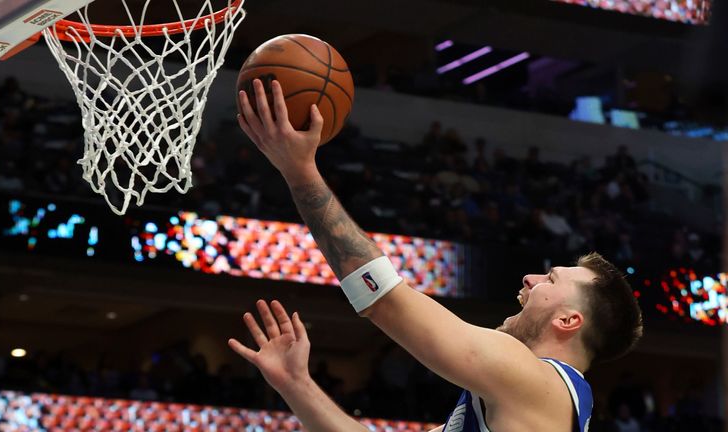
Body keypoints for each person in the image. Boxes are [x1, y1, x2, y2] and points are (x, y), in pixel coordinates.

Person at [228, 79, 644, 431]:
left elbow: (384, 300)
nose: (529, 280)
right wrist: (295, 383)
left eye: (550, 280)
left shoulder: (534, 379)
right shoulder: (517, 398)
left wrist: (299, 171)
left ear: (569, 321)